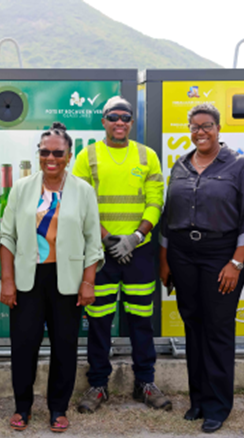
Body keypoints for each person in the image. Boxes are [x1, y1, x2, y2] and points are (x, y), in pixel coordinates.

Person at [159, 102, 244, 433]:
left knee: (218, 328)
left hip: (221, 254)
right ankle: (199, 400)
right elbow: (167, 217)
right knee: (193, 325)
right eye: (194, 126)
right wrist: (165, 261)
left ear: (218, 128)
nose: (200, 132)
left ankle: (219, 405)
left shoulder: (239, 166)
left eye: (206, 126)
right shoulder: (180, 166)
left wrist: (236, 262)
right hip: (182, 254)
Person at [0, 122, 104, 433]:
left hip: (68, 280)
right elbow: (6, 236)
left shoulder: (83, 191)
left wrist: (88, 283)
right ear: (39, 154)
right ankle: (23, 407)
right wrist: (7, 280)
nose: (51, 158)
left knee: (64, 345)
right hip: (28, 279)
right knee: (24, 345)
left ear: (69, 155)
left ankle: (58, 408)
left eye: (58, 152)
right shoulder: (21, 188)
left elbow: (92, 242)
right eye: (44, 152)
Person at [73, 96, 171, 413]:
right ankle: (98, 385)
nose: (119, 122)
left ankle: (145, 383)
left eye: (125, 117)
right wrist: (108, 239)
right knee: (99, 321)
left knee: (141, 321)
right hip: (99, 255)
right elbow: (79, 203)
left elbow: (156, 201)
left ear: (131, 122)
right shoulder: (86, 156)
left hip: (139, 253)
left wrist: (137, 236)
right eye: (113, 117)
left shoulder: (148, 156)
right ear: (103, 121)